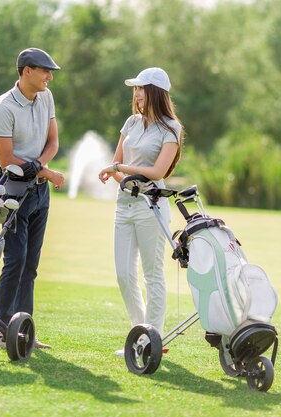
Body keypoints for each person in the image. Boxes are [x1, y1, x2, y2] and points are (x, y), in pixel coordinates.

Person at [98, 67, 184, 355]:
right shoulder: (131, 123)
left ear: (155, 92)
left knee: (153, 275)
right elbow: (116, 164)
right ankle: (141, 333)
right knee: (124, 273)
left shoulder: (171, 128)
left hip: (153, 207)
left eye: (141, 88)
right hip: (126, 205)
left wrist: (121, 170)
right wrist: (124, 178)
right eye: (134, 88)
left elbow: (158, 171)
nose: (135, 93)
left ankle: (152, 340)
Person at [0, 47, 65, 349]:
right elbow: (6, 158)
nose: (49, 77)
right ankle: (0, 330)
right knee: (15, 260)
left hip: (39, 190)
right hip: (12, 189)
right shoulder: (3, 107)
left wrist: (41, 169)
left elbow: (53, 141)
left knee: (31, 264)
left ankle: (23, 330)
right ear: (26, 71)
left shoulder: (45, 97)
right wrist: (46, 172)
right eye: (45, 71)